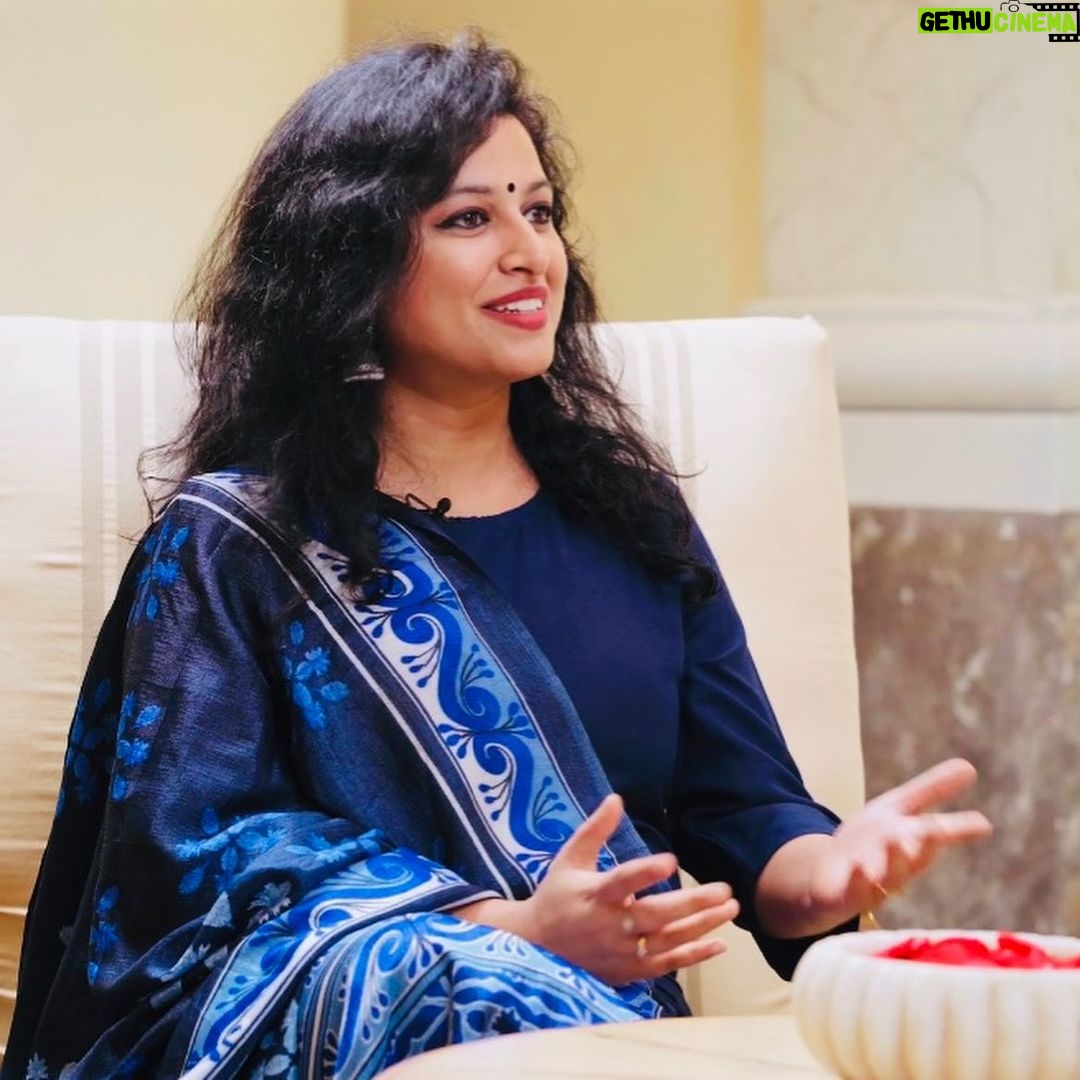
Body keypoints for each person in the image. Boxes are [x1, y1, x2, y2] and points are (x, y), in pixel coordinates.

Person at [3, 33, 992, 1080]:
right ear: (352, 262)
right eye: (470, 218)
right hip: (326, 1037)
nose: (530, 252)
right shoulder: (238, 543)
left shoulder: (630, 522)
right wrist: (510, 933)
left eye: (540, 211)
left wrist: (826, 873)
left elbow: (740, 807)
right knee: (470, 984)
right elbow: (184, 864)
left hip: (605, 1035)